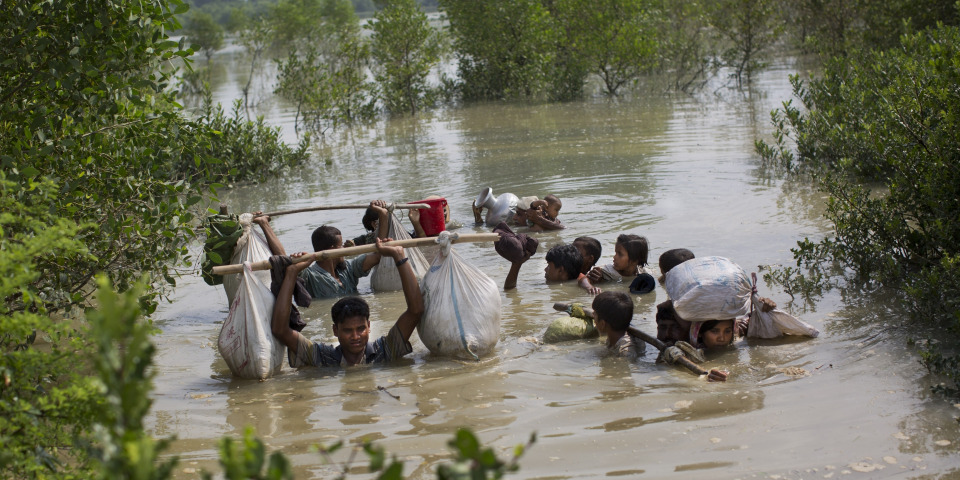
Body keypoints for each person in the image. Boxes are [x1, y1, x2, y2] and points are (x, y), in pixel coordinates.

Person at [270, 238, 425, 367]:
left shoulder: (385, 350)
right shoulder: (323, 357)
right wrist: (291, 273)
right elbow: (280, 330)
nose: (355, 336)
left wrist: (399, 257)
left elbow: (416, 310)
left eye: (360, 329)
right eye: (347, 330)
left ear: (369, 327)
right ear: (335, 330)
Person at [253, 203, 388, 299]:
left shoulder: (349, 269)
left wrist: (383, 216)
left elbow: (378, 255)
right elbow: (283, 261)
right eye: (340, 246)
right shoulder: (310, 276)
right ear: (331, 250)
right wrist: (265, 225)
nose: (344, 250)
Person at [579, 234, 649, 293]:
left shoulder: (643, 273)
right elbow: (582, 279)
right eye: (616, 253)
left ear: (635, 260)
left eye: (620, 254)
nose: (614, 257)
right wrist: (590, 287)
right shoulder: (605, 271)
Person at [502, 243, 582, 290]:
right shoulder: (580, 285)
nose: (545, 269)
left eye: (549, 266)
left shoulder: (546, 287)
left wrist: (516, 265)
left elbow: (509, 290)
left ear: (560, 270)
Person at [592, 291, 644, 359]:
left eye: (594, 315)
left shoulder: (626, 353)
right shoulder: (614, 336)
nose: (593, 317)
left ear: (602, 324)